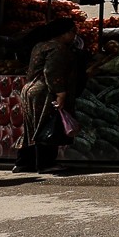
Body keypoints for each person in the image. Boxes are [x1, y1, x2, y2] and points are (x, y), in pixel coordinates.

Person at [13, 20, 82, 174]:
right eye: (72, 32)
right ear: (64, 33)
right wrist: (60, 93)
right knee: (47, 125)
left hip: (30, 90)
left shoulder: (40, 45)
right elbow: (52, 72)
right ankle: (46, 163)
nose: (73, 36)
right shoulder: (58, 49)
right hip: (45, 92)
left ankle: (23, 162)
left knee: (32, 127)